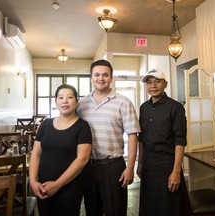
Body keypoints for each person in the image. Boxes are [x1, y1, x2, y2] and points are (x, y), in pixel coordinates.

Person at [77, 59, 141, 216]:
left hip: (113, 167)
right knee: (92, 210)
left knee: (116, 211)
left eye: (105, 75)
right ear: (91, 78)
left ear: (111, 78)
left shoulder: (124, 102)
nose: (101, 78)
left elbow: (133, 136)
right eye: (97, 75)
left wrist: (130, 167)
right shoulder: (81, 104)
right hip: (87, 167)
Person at [29, 84, 92, 216]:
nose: (65, 101)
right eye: (60, 97)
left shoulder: (83, 126)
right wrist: (33, 181)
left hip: (69, 188)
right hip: (43, 187)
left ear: (76, 101)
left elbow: (82, 159)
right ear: (56, 101)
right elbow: (36, 153)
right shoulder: (45, 125)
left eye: (69, 97)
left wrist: (57, 184)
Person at [137, 69, 187, 216]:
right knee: (149, 207)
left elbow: (180, 140)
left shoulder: (176, 107)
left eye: (157, 81)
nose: (153, 86)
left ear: (165, 84)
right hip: (148, 166)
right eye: (149, 82)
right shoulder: (143, 108)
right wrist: (140, 163)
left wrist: (176, 171)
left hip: (168, 166)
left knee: (168, 208)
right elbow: (141, 139)